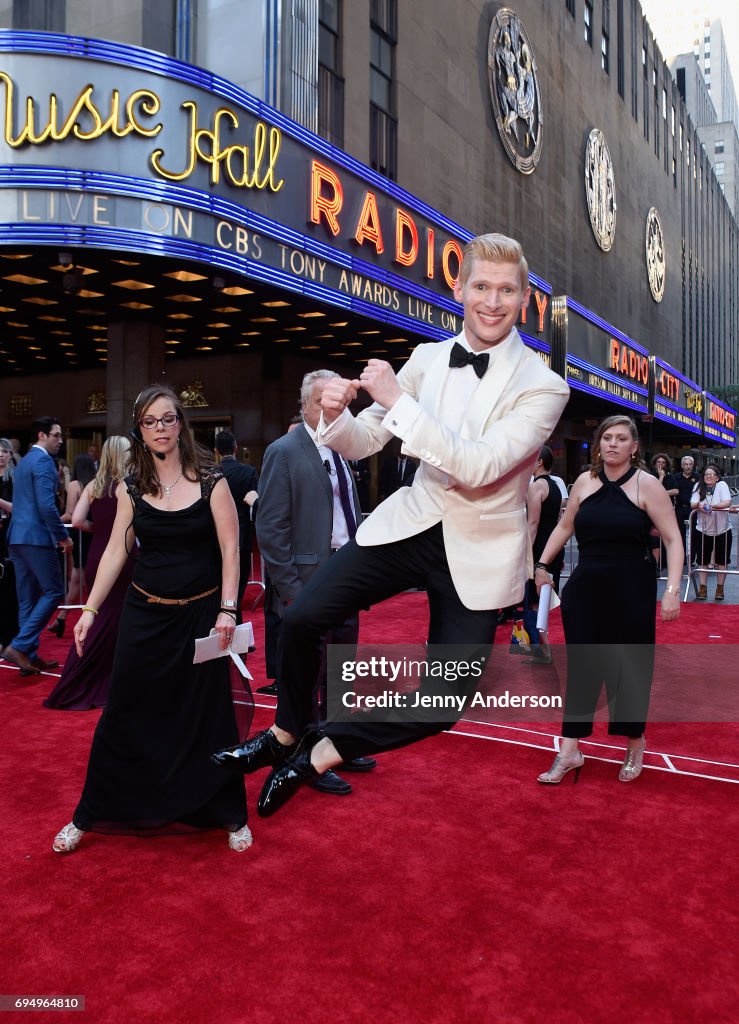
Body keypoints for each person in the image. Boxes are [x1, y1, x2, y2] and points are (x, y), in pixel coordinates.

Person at [213, 232, 570, 818]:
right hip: (412, 523)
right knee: (301, 617)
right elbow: (363, 442)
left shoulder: (544, 385)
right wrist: (335, 415)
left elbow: (479, 466)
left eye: (507, 290)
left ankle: (318, 753)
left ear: (525, 299)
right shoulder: (428, 359)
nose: (492, 300)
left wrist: (398, 402)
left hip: (480, 552)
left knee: (441, 704)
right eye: (481, 285)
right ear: (460, 288)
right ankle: (283, 736)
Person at [51, 385, 252, 854]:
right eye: (149, 421)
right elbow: (118, 550)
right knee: (124, 712)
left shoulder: (211, 480)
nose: (160, 429)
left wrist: (227, 608)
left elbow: (231, 549)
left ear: (181, 423)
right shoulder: (132, 487)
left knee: (209, 715)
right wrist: (90, 609)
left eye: (167, 419)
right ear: (139, 430)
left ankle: (228, 812)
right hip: (144, 616)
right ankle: (89, 814)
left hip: (202, 616)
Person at [247, 370, 376, 795]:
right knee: (307, 675)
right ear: (306, 405)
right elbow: (270, 529)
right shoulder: (283, 451)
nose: (337, 408)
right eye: (327, 400)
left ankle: (335, 747)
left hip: (344, 576)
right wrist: (292, 593)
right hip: (306, 582)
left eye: (341, 401)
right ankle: (306, 758)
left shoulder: (342, 449)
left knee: (341, 667)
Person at [534, 415, 682, 785]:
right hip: (585, 588)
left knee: (629, 669)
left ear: (634, 447)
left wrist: (672, 590)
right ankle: (570, 750)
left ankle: (635, 743)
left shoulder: (648, 486)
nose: (612, 444)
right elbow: (565, 527)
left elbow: (674, 540)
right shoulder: (585, 481)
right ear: (599, 444)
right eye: (606, 438)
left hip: (632, 587)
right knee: (583, 668)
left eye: (621, 439)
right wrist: (541, 564)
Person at [44, 437, 137, 710]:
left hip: (98, 554)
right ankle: (97, 677)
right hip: (123, 557)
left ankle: (100, 677)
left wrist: (97, 530)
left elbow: (76, 520)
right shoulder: (127, 487)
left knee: (100, 614)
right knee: (113, 617)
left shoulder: (93, 486)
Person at [3, 416, 72, 676]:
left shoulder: (23, 464)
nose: (61, 440)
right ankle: (20, 647)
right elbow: (46, 505)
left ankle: (27, 657)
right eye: (56, 435)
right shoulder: (43, 460)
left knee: (27, 600)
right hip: (36, 538)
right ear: (42, 436)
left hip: (17, 538)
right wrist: (62, 537)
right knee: (55, 592)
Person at [48, 454, 97, 638]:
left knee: (78, 579)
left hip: (80, 535)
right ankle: (62, 618)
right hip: (94, 534)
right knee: (83, 579)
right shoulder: (96, 483)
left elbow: (70, 514)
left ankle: (65, 618)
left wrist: (51, 523)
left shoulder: (75, 485)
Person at [214, 430, 259, 623]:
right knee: (237, 594)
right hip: (241, 539)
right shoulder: (248, 472)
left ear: (216, 451)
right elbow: (257, 504)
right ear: (236, 448)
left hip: (215, 541)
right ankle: (238, 641)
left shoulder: (211, 474)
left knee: (218, 594)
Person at [691, 463, 732, 602]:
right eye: (706, 474)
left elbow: (727, 502)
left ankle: (720, 588)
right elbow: (693, 503)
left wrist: (711, 506)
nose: (709, 476)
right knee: (702, 559)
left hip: (722, 529)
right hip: (702, 529)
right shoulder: (698, 486)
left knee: (722, 560)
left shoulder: (722, 486)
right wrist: (700, 505)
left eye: (712, 474)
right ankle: (703, 587)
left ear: (717, 477)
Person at [0, 438, 19, 656]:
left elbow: (19, 508)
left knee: (9, 591)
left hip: (10, 537)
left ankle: (9, 639)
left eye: (5, 451)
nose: (1, 455)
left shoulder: (14, 478)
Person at [668, 455, 699, 562]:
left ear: (693, 465)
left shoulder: (698, 477)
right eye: (686, 464)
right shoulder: (675, 477)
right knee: (680, 534)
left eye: (690, 464)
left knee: (694, 533)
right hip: (680, 509)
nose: (688, 466)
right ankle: (682, 559)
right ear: (682, 465)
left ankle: (692, 559)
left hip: (694, 510)